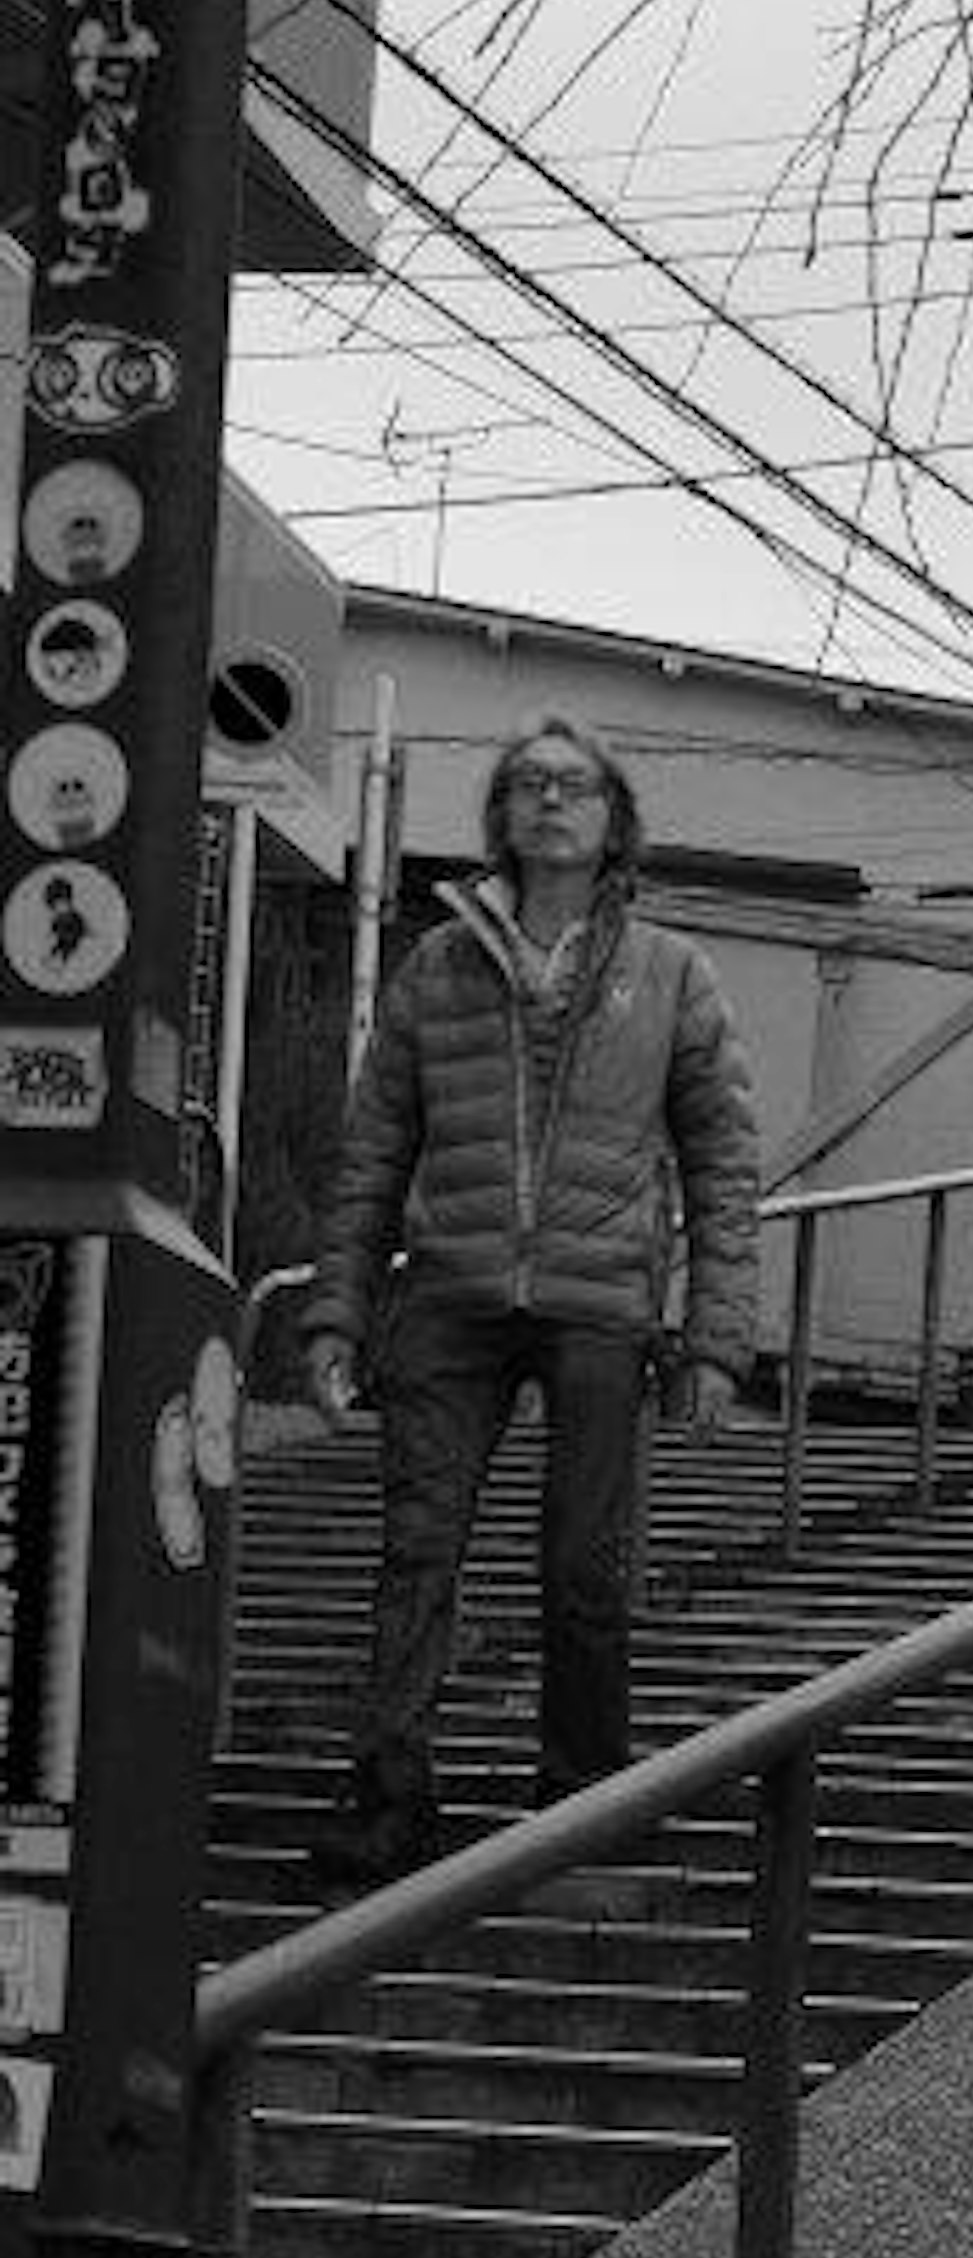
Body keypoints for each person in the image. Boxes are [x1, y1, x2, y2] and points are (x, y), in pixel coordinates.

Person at [299, 716, 763, 1892]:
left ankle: (578, 1801)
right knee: (417, 1551)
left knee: (586, 1563)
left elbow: (722, 1163)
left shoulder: (670, 972)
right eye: (528, 786)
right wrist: (336, 1316)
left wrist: (715, 1338)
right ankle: (390, 1797)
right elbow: (370, 1157)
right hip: (448, 1293)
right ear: (501, 816)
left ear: (615, 823)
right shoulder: (437, 965)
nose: (551, 801)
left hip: (601, 1298)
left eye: (576, 786)